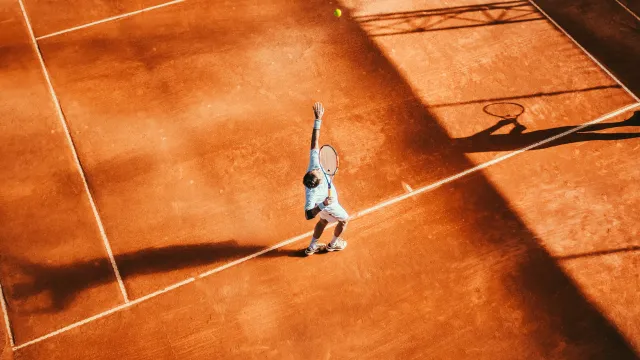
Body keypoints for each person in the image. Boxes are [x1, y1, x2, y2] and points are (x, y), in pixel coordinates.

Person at [302, 102, 349, 256]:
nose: (318, 169)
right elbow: (308, 215)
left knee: (323, 221)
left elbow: (314, 142)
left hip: (324, 207)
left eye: (315, 170)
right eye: (318, 172)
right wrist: (323, 204)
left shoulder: (313, 166)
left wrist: (318, 119)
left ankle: (311, 247)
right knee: (344, 220)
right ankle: (333, 244)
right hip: (329, 206)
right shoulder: (312, 194)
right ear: (318, 182)